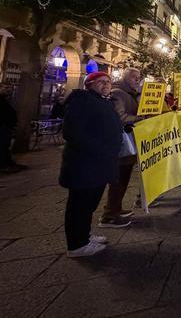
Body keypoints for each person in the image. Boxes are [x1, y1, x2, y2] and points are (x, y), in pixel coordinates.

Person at [60, 71, 122, 257]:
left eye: (108, 81)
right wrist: (100, 149)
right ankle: (77, 245)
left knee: (90, 203)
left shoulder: (103, 101)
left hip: (98, 164)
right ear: (89, 84)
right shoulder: (82, 101)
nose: (105, 84)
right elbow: (72, 132)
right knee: (79, 205)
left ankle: (84, 236)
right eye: (100, 82)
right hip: (84, 163)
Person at [100, 67, 141, 228]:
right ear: (125, 78)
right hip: (122, 143)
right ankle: (109, 215)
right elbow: (121, 117)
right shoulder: (118, 93)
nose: (137, 80)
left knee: (124, 178)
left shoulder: (131, 93)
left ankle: (116, 209)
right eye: (133, 77)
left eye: (138, 77)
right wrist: (141, 118)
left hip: (129, 142)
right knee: (119, 179)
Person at [0, 84, 25, 173]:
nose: (8, 89)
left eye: (8, 88)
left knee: (5, 145)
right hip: (3, 126)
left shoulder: (5, 99)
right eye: (5, 87)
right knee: (2, 146)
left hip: (6, 126)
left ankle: (8, 163)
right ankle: (4, 165)